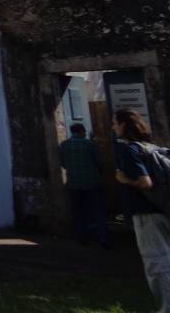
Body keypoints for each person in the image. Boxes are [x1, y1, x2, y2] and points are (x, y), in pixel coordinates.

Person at [114, 109, 170, 313]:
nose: (113, 127)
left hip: (147, 213)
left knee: (157, 263)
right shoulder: (153, 147)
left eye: (115, 123)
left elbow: (145, 182)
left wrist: (124, 179)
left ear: (123, 125)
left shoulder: (127, 149)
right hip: (164, 206)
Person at [59, 122, 110, 247]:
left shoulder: (64, 145)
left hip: (74, 183)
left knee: (79, 211)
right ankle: (103, 237)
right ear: (82, 131)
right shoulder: (89, 144)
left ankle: (82, 237)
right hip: (92, 182)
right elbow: (98, 162)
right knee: (98, 210)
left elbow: (63, 163)